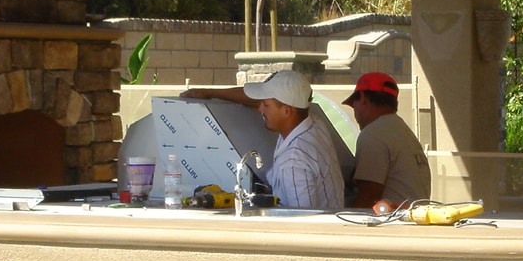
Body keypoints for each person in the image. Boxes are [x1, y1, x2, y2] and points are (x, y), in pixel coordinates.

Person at [182, 70, 343, 211]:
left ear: (286, 110)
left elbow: (301, 220)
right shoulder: (312, 123)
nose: (259, 108)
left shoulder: (294, 160)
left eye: (266, 105)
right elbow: (256, 100)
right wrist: (211, 93)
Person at [343, 72, 430, 209]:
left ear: (364, 98)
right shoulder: (403, 132)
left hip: (392, 224)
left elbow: (368, 196)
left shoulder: (373, 134)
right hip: (414, 221)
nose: (355, 113)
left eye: (354, 104)